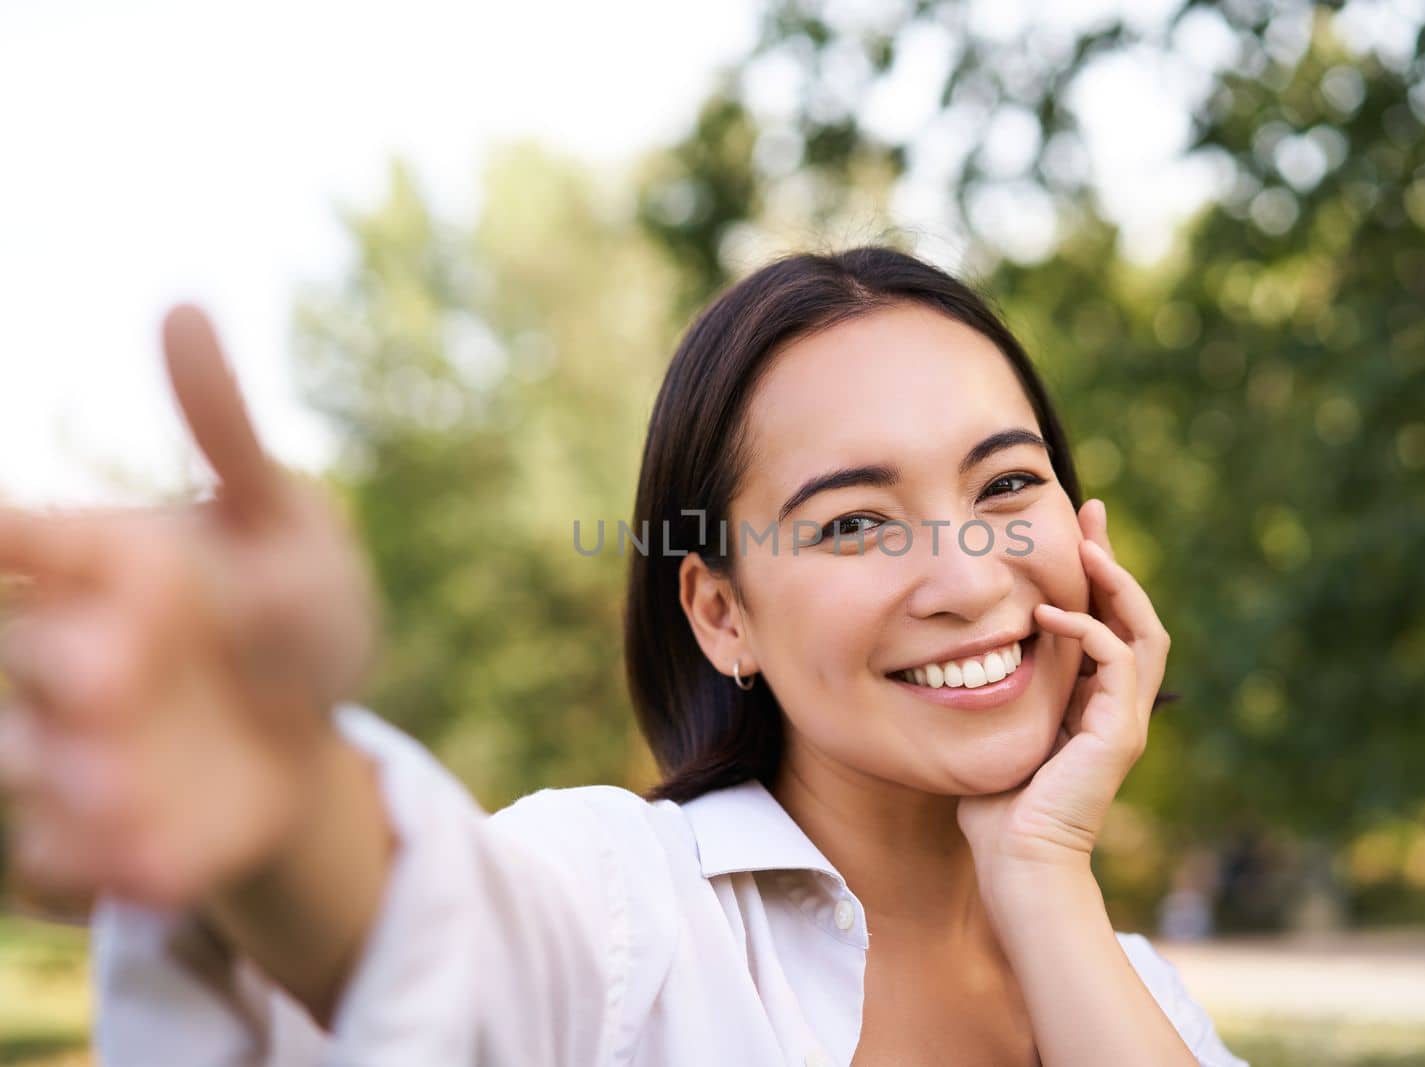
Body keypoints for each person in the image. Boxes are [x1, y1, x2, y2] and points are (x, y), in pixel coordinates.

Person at [0, 247, 1248, 1065]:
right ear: (720, 613)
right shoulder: (627, 903)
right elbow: (425, 946)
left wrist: (1039, 870)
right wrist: (281, 797)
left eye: (1008, 482)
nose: (971, 576)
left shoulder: (1125, 988)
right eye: (855, 520)